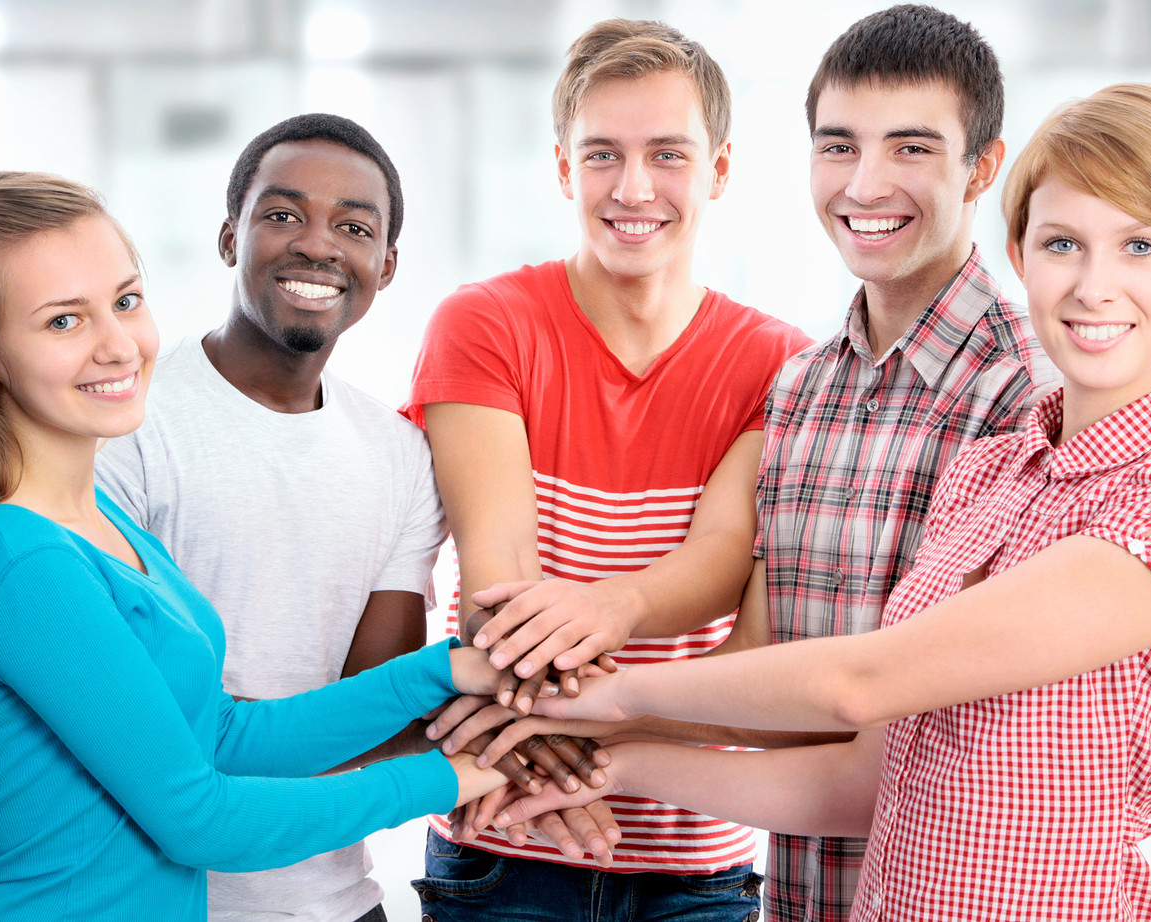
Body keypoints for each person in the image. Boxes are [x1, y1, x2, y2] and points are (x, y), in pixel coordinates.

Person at [491, 82, 1151, 922]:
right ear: (1023, 251)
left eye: (1140, 247)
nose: (1093, 286)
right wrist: (614, 765)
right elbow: (859, 781)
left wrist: (611, 697)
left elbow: (863, 681)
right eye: (1064, 244)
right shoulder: (988, 473)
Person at [431, 7, 1057, 919]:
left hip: (919, 887)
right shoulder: (809, 383)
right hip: (785, 889)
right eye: (839, 145)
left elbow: (904, 724)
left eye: (912, 148)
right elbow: (759, 656)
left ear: (982, 170)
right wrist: (556, 737)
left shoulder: (1026, 402)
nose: (868, 181)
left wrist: (552, 723)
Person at [0, 171, 511, 922]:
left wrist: (447, 670)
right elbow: (203, 821)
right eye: (64, 322)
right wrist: (452, 777)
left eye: (125, 302)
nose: (119, 346)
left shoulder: (102, 526)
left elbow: (223, 736)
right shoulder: (22, 560)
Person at [401, 17, 812, 922]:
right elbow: (497, 573)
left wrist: (604, 628)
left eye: (668, 154)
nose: (634, 188)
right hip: (504, 845)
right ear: (562, 170)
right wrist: (551, 762)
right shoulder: (485, 324)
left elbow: (715, 566)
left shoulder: (781, 364)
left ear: (720, 169)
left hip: (696, 862)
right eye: (602, 156)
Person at [94, 113, 449, 922]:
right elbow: (146, 724)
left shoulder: (401, 456)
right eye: (283, 215)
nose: (318, 246)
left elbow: (374, 709)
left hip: (338, 902)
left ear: (385, 266)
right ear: (230, 237)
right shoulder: (126, 429)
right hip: (161, 902)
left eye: (352, 227)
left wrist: (510, 736)